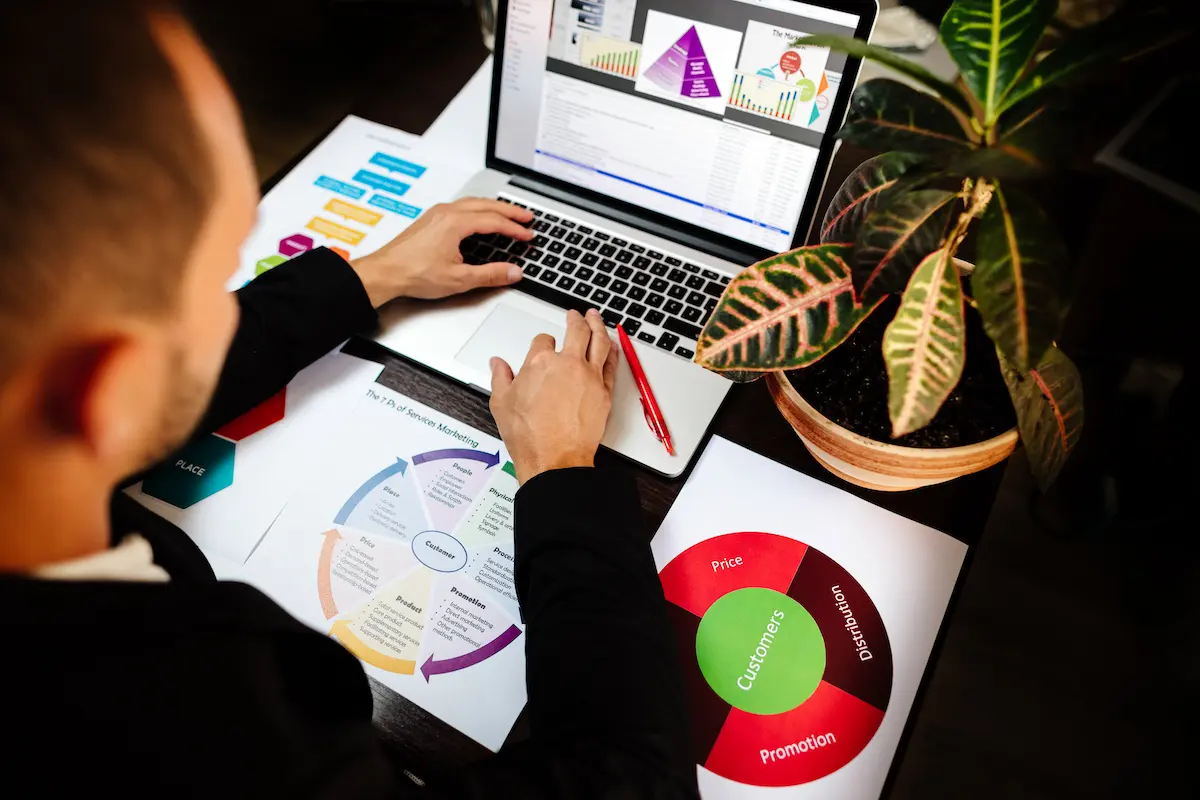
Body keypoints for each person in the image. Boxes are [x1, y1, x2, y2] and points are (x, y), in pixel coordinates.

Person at [0, 2, 697, 797]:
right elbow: (635, 783)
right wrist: (562, 469)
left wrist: (375, 274)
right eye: (222, 271)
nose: (237, 296)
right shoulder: (224, 739)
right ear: (111, 393)